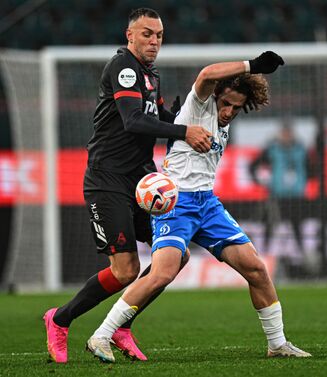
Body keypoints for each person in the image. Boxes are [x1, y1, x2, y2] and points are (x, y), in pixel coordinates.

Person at [85, 51, 311, 362]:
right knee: (162, 274)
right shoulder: (200, 104)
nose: (229, 111)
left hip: (208, 204)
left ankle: (277, 343)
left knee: (257, 269)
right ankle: (101, 335)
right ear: (216, 96)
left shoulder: (224, 121)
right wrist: (252, 67)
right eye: (226, 103)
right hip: (177, 202)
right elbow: (206, 75)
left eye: (236, 107)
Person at [43, 8, 212, 364]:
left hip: (143, 182)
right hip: (108, 180)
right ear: (129, 35)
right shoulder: (123, 68)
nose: (154, 41)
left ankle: (122, 325)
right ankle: (59, 319)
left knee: (176, 255)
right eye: (147, 34)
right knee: (125, 270)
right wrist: (184, 131)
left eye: (159, 36)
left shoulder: (150, 75)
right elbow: (134, 121)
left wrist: (190, 117)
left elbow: (160, 116)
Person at [248, 122, 310, 263]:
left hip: (296, 197)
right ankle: (262, 256)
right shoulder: (272, 149)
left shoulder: (301, 149)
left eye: (289, 133)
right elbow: (253, 165)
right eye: (284, 133)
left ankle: (302, 257)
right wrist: (261, 182)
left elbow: (310, 168)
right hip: (277, 196)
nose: (287, 136)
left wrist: (303, 183)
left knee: (297, 227)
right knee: (270, 225)